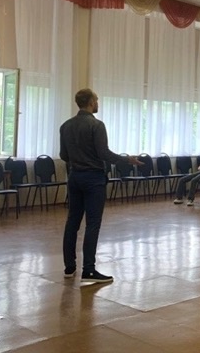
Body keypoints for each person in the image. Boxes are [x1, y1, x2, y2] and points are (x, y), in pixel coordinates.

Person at [60, 88, 142, 283]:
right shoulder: (96, 125)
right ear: (90, 102)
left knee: (72, 221)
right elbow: (104, 153)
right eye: (96, 100)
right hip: (93, 179)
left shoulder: (65, 126)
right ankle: (88, 270)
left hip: (75, 177)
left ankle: (69, 266)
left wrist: (78, 160)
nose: (98, 103)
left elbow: (63, 155)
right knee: (93, 223)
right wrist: (127, 160)